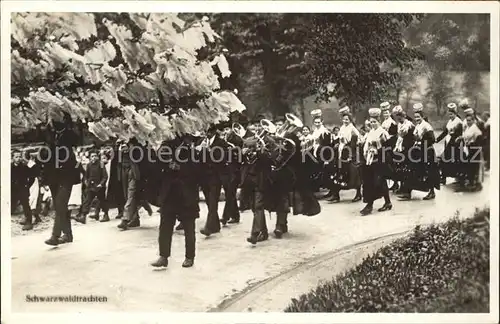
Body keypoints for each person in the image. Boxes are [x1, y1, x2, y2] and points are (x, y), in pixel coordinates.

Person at [151, 135, 200, 268]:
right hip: (170, 193)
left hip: (187, 194)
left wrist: (180, 168)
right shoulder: (166, 147)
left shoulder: (192, 151)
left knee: (189, 227)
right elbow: (157, 164)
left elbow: (197, 171)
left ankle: (190, 257)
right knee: (165, 226)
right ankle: (163, 256)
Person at [42, 113, 81, 245]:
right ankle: (68, 235)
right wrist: (44, 180)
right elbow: (47, 159)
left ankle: (55, 236)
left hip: (67, 175)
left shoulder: (69, 135)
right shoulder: (50, 136)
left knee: (60, 204)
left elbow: (75, 138)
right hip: (53, 176)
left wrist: (68, 122)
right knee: (60, 207)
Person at [398, 103, 440, 201]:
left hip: (427, 151)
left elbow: (432, 139)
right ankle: (408, 192)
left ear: (422, 116)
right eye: (415, 117)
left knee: (428, 171)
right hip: (417, 151)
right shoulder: (417, 126)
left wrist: (422, 143)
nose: (417, 118)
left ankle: (431, 192)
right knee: (412, 170)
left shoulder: (426, 126)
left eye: (418, 117)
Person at [360, 108, 392, 216]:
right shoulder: (371, 132)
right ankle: (387, 202)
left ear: (379, 121)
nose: (373, 124)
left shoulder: (382, 132)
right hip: (370, 160)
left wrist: (377, 150)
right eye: (371, 122)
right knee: (371, 182)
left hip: (380, 161)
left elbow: (388, 148)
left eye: (375, 122)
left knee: (377, 182)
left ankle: (370, 205)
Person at [329, 106, 362, 203]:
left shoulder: (353, 129)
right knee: (338, 172)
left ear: (350, 120)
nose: (345, 121)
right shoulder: (342, 127)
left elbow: (356, 140)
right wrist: (338, 143)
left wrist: (350, 152)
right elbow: (339, 138)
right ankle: (336, 195)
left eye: (347, 119)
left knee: (352, 173)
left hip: (348, 152)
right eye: (344, 119)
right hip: (341, 151)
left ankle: (358, 194)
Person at [198, 125, 226, 237]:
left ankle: (208, 227)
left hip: (215, 176)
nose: (207, 133)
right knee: (209, 201)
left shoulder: (221, 143)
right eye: (206, 131)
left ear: (214, 131)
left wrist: (209, 150)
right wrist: (200, 149)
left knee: (213, 201)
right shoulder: (201, 141)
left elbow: (221, 158)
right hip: (204, 176)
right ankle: (215, 225)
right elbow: (198, 158)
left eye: (209, 131)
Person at [74, 150, 108, 223]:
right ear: (90, 157)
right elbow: (86, 175)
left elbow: (105, 176)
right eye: (92, 156)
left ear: (98, 157)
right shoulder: (89, 165)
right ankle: (83, 216)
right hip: (91, 186)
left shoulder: (101, 164)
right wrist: (86, 182)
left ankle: (106, 215)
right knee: (87, 201)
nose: (94, 158)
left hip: (99, 187)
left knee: (102, 201)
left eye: (95, 156)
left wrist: (101, 184)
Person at [435, 103, 463, 185]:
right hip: (448, 143)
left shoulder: (459, 122)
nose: (450, 116)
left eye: (451, 114)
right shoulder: (450, 121)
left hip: (455, 144)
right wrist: (437, 139)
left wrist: (451, 144)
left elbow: (458, 134)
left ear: (455, 113)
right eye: (449, 114)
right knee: (447, 161)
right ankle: (444, 178)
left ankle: (450, 178)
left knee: (449, 160)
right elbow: (445, 132)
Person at [391, 106, 415, 196]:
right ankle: (402, 187)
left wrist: (406, 147)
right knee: (400, 168)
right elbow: (398, 137)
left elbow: (411, 139)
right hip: (400, 149)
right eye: (397, 118)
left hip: (408, 149)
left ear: (404, 116)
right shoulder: (399, 124)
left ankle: (407, 190)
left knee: (407, 169)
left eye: (400, 117)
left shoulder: (409, 125)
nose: (398, 119)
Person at [458, 109, 484, 191]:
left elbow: (480, 137)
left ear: (473, 120)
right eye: (467, 120)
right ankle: (470, 181)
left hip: (474, 148)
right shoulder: (467, 127)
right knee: (469, 165)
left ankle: (476, 184)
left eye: (470, 120)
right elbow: (465, 136)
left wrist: (474, 143)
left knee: (474, 166)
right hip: (468, 148)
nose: (468, 122)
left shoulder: (475, 128)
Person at [12, 150, 38, 231]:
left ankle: (29, 221)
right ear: (12, 158)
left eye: (20, 157)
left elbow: (32, 177)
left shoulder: (24, 167)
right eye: (16, 157)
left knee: (26, 205)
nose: (18, 158)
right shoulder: (10, 167)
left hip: (22, 188)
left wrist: (27, 186)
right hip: (13, 189)